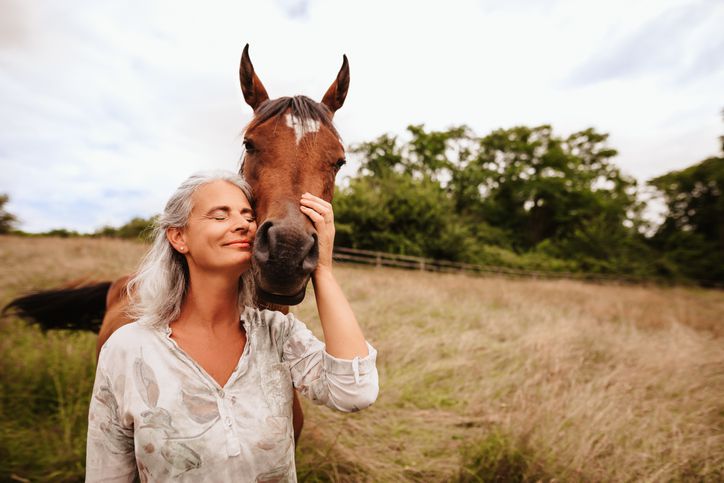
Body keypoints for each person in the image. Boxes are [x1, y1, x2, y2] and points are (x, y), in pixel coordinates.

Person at [85, 171, 378, 482]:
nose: (242, 225)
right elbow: (107, 473)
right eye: (220, 215)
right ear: (179, 237)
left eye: (248, 216)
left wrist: (322, 269)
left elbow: (355, 393)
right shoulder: (127, 349)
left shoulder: (277, 334)